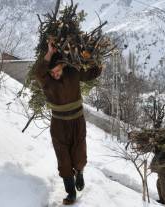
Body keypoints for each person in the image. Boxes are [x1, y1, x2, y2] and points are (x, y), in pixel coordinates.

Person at [34, 39, 102, 205]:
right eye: (52, 73)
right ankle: (70, 192)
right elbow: (38, 73)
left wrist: (98, 63)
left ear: (63, 67)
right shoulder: (47, 81)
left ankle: (79, 172)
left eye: (57, 71)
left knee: (79, 154)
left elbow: (90, 74)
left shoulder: (73, 72)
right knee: (63, 159)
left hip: (77, 122)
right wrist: (49, 53)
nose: (54, 75)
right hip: (58, 125)